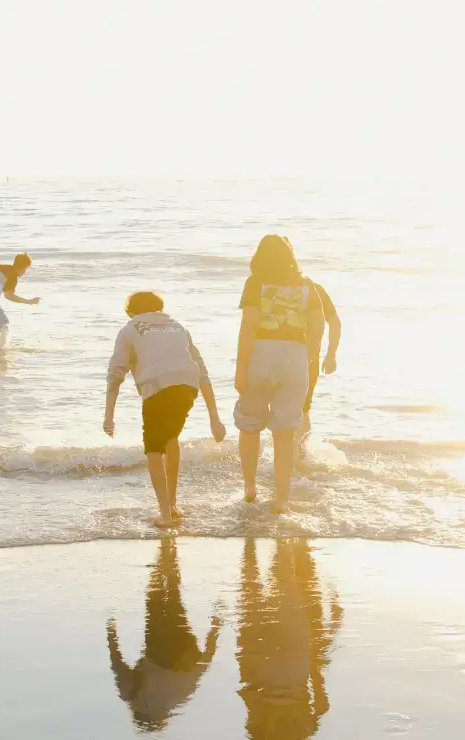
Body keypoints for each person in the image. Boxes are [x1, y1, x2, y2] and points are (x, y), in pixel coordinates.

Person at [104, 291, 227, 527]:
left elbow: (115, 374)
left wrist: (109, 416)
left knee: (153, 448)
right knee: (171, 438)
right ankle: (171, 504)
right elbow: (202, 371)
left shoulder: (130, 329)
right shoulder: (177, 327)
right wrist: (215, 419)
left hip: (158, 387)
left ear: (131, 310)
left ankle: (165, 514)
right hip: (187, 386)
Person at [233, 235, 322, 512]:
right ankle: (282, 499)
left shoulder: (255, 284)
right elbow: (318, 327)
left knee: (249, 425)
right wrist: (307, 358)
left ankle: (250, 488)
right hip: (295, 353)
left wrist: (240, 368)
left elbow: (248, 325)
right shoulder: (307, 286)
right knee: (285, 432)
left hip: (262, 351)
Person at [106, 538, 223, 732]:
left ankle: (169, 553)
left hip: (187, 656)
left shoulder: (179, 700)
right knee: (154, 599)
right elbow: (116, 662)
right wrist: (110, 630)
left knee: (174, 600)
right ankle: (165, 552)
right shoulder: (134, 700)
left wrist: (216, 628)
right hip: (162, 656)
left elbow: (204, 663)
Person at [237, 538, 342, 739]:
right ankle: (251, 535)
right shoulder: (260, 733)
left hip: (295, 668)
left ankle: (281, 531)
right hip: (263, 667)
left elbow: (322, 704)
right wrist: (244, 653)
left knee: (285, 583)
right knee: (251, 587)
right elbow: (249, 696)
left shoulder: (304, 731)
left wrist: (314, 662)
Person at [301, 280, 341, 438]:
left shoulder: (314, 289)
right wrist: (331, 354)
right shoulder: (313, 288)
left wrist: (331, 354)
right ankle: (297, 455)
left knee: (296, 410)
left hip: (306, 361)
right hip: (309, 361)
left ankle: (294, 454)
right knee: (302, 410)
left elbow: (334, 322)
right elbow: (334, 322)